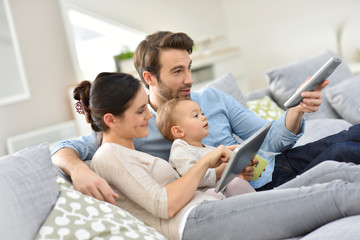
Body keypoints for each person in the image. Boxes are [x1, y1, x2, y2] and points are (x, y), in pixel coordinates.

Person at [51, 31, 360, 204]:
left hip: (280, 162)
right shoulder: (136, 124)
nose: (189, 79)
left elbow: (273, 137)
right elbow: (63, 148)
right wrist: (79, 171)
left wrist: (296, 109)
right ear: (150, 77)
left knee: (353, 132)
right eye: (177, 71)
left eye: (189, 68)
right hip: (259, 188)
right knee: (346, 152)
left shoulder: (212, 98)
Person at [74, 71, 360, 240]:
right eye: (139, 111)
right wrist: (207, 162)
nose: (148, 115)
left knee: (337, 172)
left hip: (217, 203)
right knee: (334, 194)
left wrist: (227, 168)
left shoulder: (128, 150)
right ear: (111, 120)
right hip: (198, 222)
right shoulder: (107, 156)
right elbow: (164, 205)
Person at [157, 98, 256, 198]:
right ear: (178, 131)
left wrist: (238, 167)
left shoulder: (208, 148)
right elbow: (193, 177)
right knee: (212, 194)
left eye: (202, 113)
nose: (203, 117)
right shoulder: (179, 149)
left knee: (237, 183)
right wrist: (224, 167)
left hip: (222, 191)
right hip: (199, 197)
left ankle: (262, 204)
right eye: (196, 115)